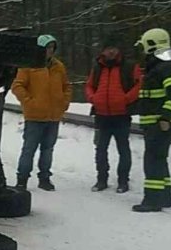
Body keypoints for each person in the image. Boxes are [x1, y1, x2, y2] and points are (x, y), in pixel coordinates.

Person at [12, 34, 72, 191]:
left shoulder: (59, 66)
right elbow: (17, 86)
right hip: (34, 116)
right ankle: (22, 179)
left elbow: (67, 86)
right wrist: (29, 102)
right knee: (29, 149)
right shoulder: (29, 65)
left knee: (48, 149)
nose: (50, 51)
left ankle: (44, 178)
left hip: (53, 116)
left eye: (52, 48)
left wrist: (64, 103)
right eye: (47, 48)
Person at [132, 28, 171, 212]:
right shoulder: (160, 65)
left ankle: (152, 200)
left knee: (152, 161)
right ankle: (164, 197)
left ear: (152, 44)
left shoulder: (166, 66)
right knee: (160, 160)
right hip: (155, 121)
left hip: (158, 122)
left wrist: (165, 117)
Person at [84, 37, 142, 193]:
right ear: (103, 50)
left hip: (121, 114)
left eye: (114, 48)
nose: (111, 51)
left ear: (118, 50)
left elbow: (139, 84)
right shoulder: (97, 67)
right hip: (101, 115)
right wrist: (93, 98)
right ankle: (101, 179)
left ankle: (123, 181)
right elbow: (89, 85)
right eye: (108, 48)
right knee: (100, 148)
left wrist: (126, 99)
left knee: (123, 148)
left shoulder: (129, 66)